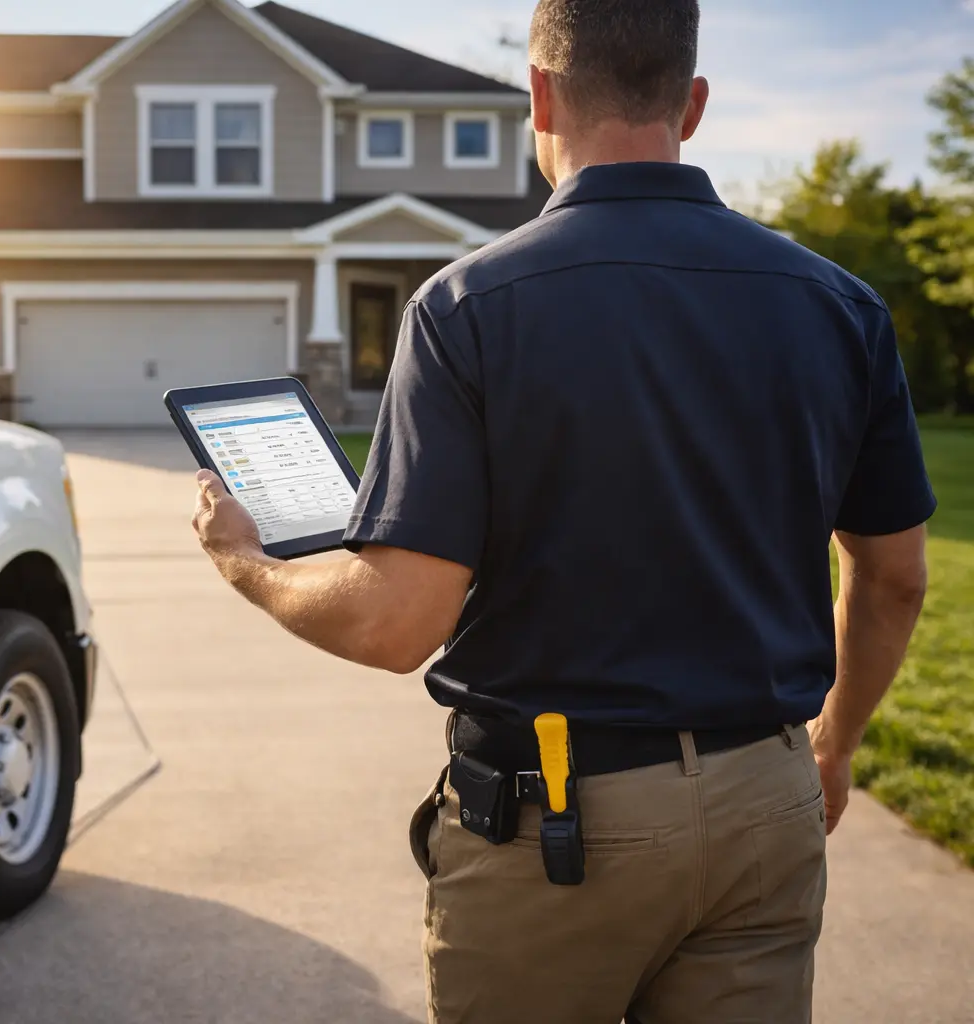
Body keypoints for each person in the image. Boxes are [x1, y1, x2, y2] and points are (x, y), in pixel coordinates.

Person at [188, 0, 936, 1020]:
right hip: (768, 801)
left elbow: (394, 619)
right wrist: (835, 744)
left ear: (538, 93)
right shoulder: (840, 306)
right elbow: (894, 575)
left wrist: (247, 561)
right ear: (695, 103)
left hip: (559, 821)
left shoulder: (466, 308)